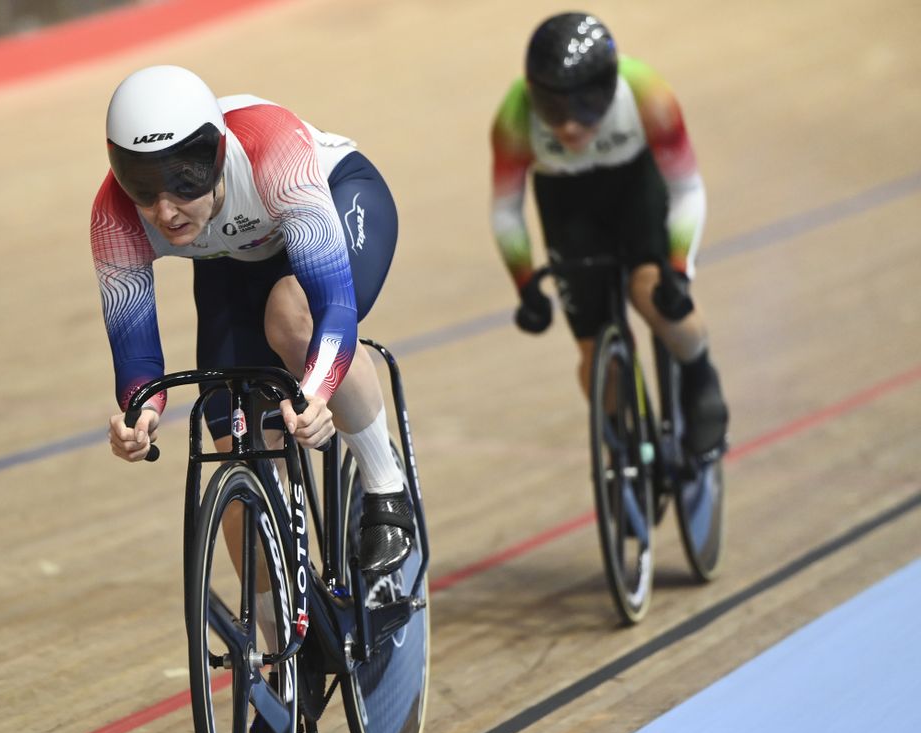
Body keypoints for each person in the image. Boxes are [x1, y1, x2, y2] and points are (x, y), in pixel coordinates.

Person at [92, 65, 414, 578]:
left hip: (337, 197)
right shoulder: (114, 216)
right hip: (231, 255)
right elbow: (135, 349)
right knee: (236, 460)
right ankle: (280, 649)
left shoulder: (272, 150)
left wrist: (318, 392)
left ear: (216, 158)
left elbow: (333, 305)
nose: (165, 211)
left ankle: (386, 490)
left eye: (182, 183)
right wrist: (140, 413)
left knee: (291, 317)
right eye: (143, 188)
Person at [490, 11, 728, 457]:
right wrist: (525, 286)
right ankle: (625, 439)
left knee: (653, 296)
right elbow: (506, 209)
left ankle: (700, 378)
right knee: (594, 346)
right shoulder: (515, 113)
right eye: (553, 110)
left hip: (635, 189)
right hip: (567, 205)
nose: (569, 126)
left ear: (610, 87)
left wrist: (679, 267)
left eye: (585, 107)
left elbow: (686, 187)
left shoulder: (647, 93)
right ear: (533, 93)